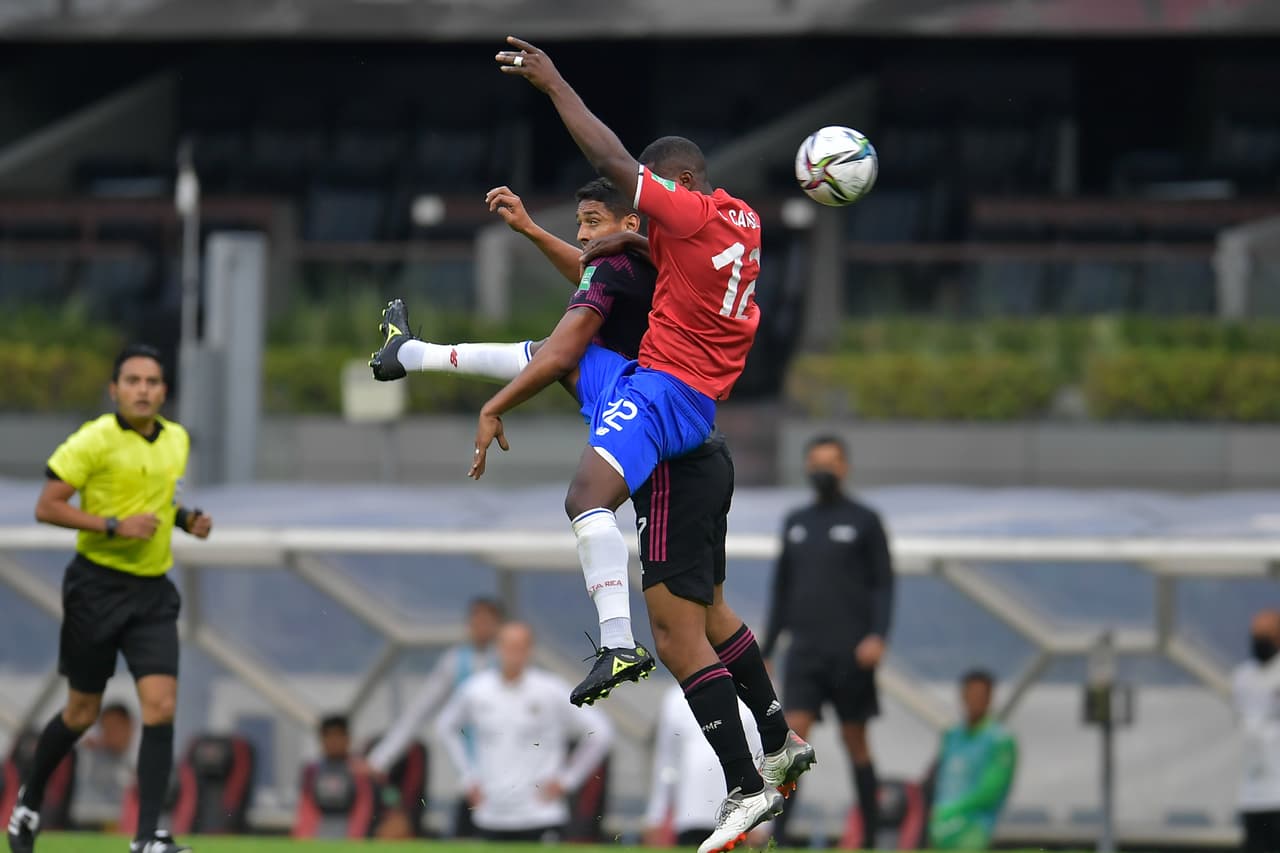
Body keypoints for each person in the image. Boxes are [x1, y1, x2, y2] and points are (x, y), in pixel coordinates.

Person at [370, 177, 812, 852]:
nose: (580, 233)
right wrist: (532, 231)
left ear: (636, 215)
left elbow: (561, 342)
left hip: (673, 453)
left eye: (591, 219)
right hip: (694, 441)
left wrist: (494, 407)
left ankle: (739, 776)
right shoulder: (650, 265)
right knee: (713, 615)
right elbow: (584, 286)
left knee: (672, 629)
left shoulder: (641, 270)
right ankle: (777, 740)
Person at [481, 37, 764, 716]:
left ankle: (617, 643)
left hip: (667, 391)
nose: (651, 197)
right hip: (696, 405)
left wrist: (554, 82)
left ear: (683, 184)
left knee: (590, 503)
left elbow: (610, 162)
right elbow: (628, 271)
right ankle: (779, 738)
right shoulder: (743, 220)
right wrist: (628, 238)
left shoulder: (687, 210)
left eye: (657, 188)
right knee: (711, 614)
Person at [7, 344, 211, 853]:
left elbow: (159, 498)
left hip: (153, 593)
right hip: (95, 589)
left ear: (164, 391)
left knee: (161, 707)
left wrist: (186, 519)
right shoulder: (92, 440)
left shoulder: (178, 439)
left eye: (152, 382)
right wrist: (114, 526)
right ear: (114, 389)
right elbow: (47, 507)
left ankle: (146, 838)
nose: (143, 390)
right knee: (81, 712)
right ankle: (29, 801)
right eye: (133, 381)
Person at [763, 434, 893, 848]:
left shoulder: (864, 520)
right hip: (805, 652)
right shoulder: (796, 521)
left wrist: (877, 636)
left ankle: (870, 836)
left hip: (851, 653)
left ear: (844, 467)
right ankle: (779, 836)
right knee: (794, 741)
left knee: (855, 741)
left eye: (830, 462)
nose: (823, 469)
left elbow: (884, 585)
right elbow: (782, 590)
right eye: (816, 462)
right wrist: (767, 649)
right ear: (806, 467)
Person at [434, 621, 613, 842]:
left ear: (530, 650)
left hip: (541, 813)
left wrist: (568, 780)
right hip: (490, 813)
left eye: (520, 647)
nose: (514, 654)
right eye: (508, 646)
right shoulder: (476, 689)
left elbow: (600, 731)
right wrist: (467, 778)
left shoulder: (550, 689)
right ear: (497, 648)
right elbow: (446, 727)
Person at [364, 597, 502, 837]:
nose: (481, 628)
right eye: (476, 621)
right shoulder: (455, 662)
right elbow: (419, 712)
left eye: (487, 621)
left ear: (498, 625)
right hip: (470, 772)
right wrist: (380, 759)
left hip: (508, 770)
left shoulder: (509, 660)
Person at [643, 682, 763, 847]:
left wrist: (761, 821)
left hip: (740, 815)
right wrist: (656, 815)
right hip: (691, 814)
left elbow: (761, 758)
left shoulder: (746, 692)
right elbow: (667, 760)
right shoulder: (675, 699)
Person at [926, 670, 1018, 850]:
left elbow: (991, 791)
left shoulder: (1000, 740)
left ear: (990, 698)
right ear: (963, 696)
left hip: (974, 828)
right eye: (972, 694)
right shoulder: (952, 735)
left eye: (981, 695)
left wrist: (950, 810)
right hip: (939, 827)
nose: (975, 700)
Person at [1233, 609, 1280, 853]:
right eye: (1256, 636)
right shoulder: (1243, 676)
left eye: (1265, 636)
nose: (1260, 641)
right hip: (1252, 792)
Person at [74, 703, 136, 818]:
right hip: (91, 817)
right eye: (106, 729)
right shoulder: (92, 756)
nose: (110, 735)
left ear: (130, 726)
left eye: (115, 728)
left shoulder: (140, 756)